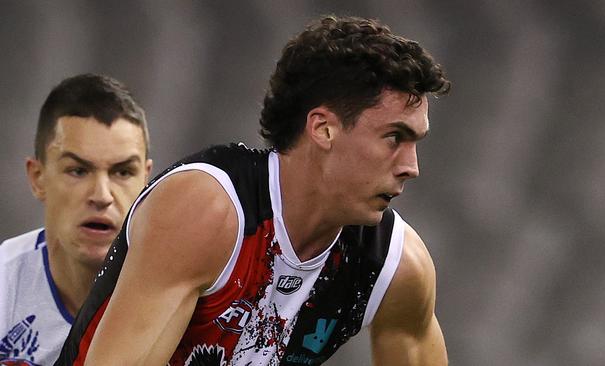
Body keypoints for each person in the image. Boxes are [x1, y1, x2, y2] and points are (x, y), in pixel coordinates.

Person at [56, 15, 450, 366]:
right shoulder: (207, 210)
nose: (411, 167)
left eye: (416, 142)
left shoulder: (397, 267)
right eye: (394, 137)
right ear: (323, 129)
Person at [0, 74, 153, 366]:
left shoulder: (192, 298)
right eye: (78, 171)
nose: (102, 195)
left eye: (123, 172)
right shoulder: (4, 286)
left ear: (146, 181)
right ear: (38, 178)